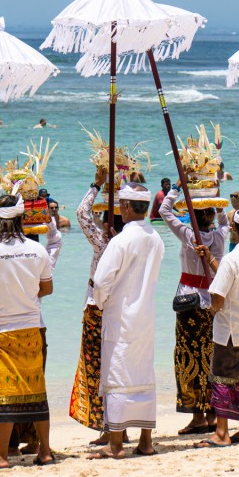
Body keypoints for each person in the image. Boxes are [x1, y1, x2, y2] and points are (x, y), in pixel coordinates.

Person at [0, 194, 54, 469]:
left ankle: (1, 455)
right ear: (21, 219)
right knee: (35, 389)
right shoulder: (36, 250)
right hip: (29, 327)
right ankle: (46, 452)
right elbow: (47, 288)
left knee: (2, 391)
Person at [87, 184, 165, 459]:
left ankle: (116, 444)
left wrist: (100, 301)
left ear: (128, 207)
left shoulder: (121, 240)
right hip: (145, 317)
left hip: (121, 317)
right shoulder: (155, 237)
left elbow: (101, 281)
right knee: (143, 375)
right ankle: (145, 440)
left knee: (118, 377)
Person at [191, 209, 239, 447]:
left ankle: (222, 432)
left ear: (234, 228)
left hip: (230, 328)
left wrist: (210, 313)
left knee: (221, 378)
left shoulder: (232, 259)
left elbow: (219, 297)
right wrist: (212, 261)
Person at [160, 184, 229, 435]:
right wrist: (216, 194)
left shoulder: (190, 236)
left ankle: (198, 416)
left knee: (188, 358)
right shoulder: (221, 235)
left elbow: (164, 210)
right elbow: (224, 218)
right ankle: (212, 413)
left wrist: (176, 189)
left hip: (190, 302)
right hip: (211, 302)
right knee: (209, 357)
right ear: (211, 214)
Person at [69, 167, 123, 440]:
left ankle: (107, 428)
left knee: (96, 368)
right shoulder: (129, 244)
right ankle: (119, 426)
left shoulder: (104, 243)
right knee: (115, 366)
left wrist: (96, 185)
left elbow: (80, 214)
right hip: (122, 310)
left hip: (96, 308)